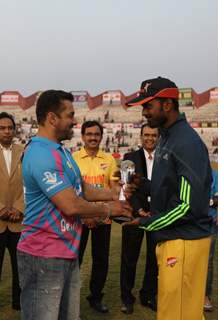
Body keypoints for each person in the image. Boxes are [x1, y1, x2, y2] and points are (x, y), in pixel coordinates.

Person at [17, 90, 132, 320]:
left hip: (65, 251)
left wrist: (113, 193)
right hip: (43, 255)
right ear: (52, 118)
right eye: (69, 115)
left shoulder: (62, 152)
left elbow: (82, 188)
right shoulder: (40, 154)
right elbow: (70, 205)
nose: (74, 120)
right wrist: (110, 209)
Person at [125, 76, 212, 320]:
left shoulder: (185, 142)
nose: (144, 112)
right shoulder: (168, 136)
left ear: (166, 105)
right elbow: (170, 188)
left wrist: (145, 223)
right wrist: (142, 184)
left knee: (177, 314)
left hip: (185, 240)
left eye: (147, 106)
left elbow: (187, 206)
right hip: (176, 239)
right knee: (177, 311)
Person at [73, 120, 118, 313]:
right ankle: (71, 297)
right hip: (78, 219)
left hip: (102, 219)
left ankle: (96, 297)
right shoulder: (72, 158)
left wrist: (99, 214)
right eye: (89, 134)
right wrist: (85, 215)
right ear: (82, 136)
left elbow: (115, 189)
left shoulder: (109, 160)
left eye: (96, 134)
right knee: (75, 260)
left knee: (101, 260)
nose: (93, 137)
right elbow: (71, 191)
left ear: (101, 136)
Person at [120, 123, 159, 314]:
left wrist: (156, 211)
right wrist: (139, 209)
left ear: (158, 137)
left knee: (154, 258)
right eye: (146, 135)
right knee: (129, 258)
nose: (150, 138)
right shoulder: (129, 158)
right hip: (135, 214)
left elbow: (167, 188)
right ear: (140, 136)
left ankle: (148, 295)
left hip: (158, 216)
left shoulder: (166, 158)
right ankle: (127, 298)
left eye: (153, 135)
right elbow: (128, 189)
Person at [0, 112, 24, 310]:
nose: (7, 131)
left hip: (19, 221)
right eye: (2, 128)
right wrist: (1, 208)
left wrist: (19, 207)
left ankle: (19, 302)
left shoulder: (23, 151)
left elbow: (31, 184)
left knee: (20, 268)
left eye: (10, 128)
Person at [204, 168, 218, 312]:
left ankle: (205, 296)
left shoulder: (215, 175)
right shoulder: (186, 172)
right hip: (189, 222)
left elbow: (217, 199)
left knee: (207, 261)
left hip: (209, 224)